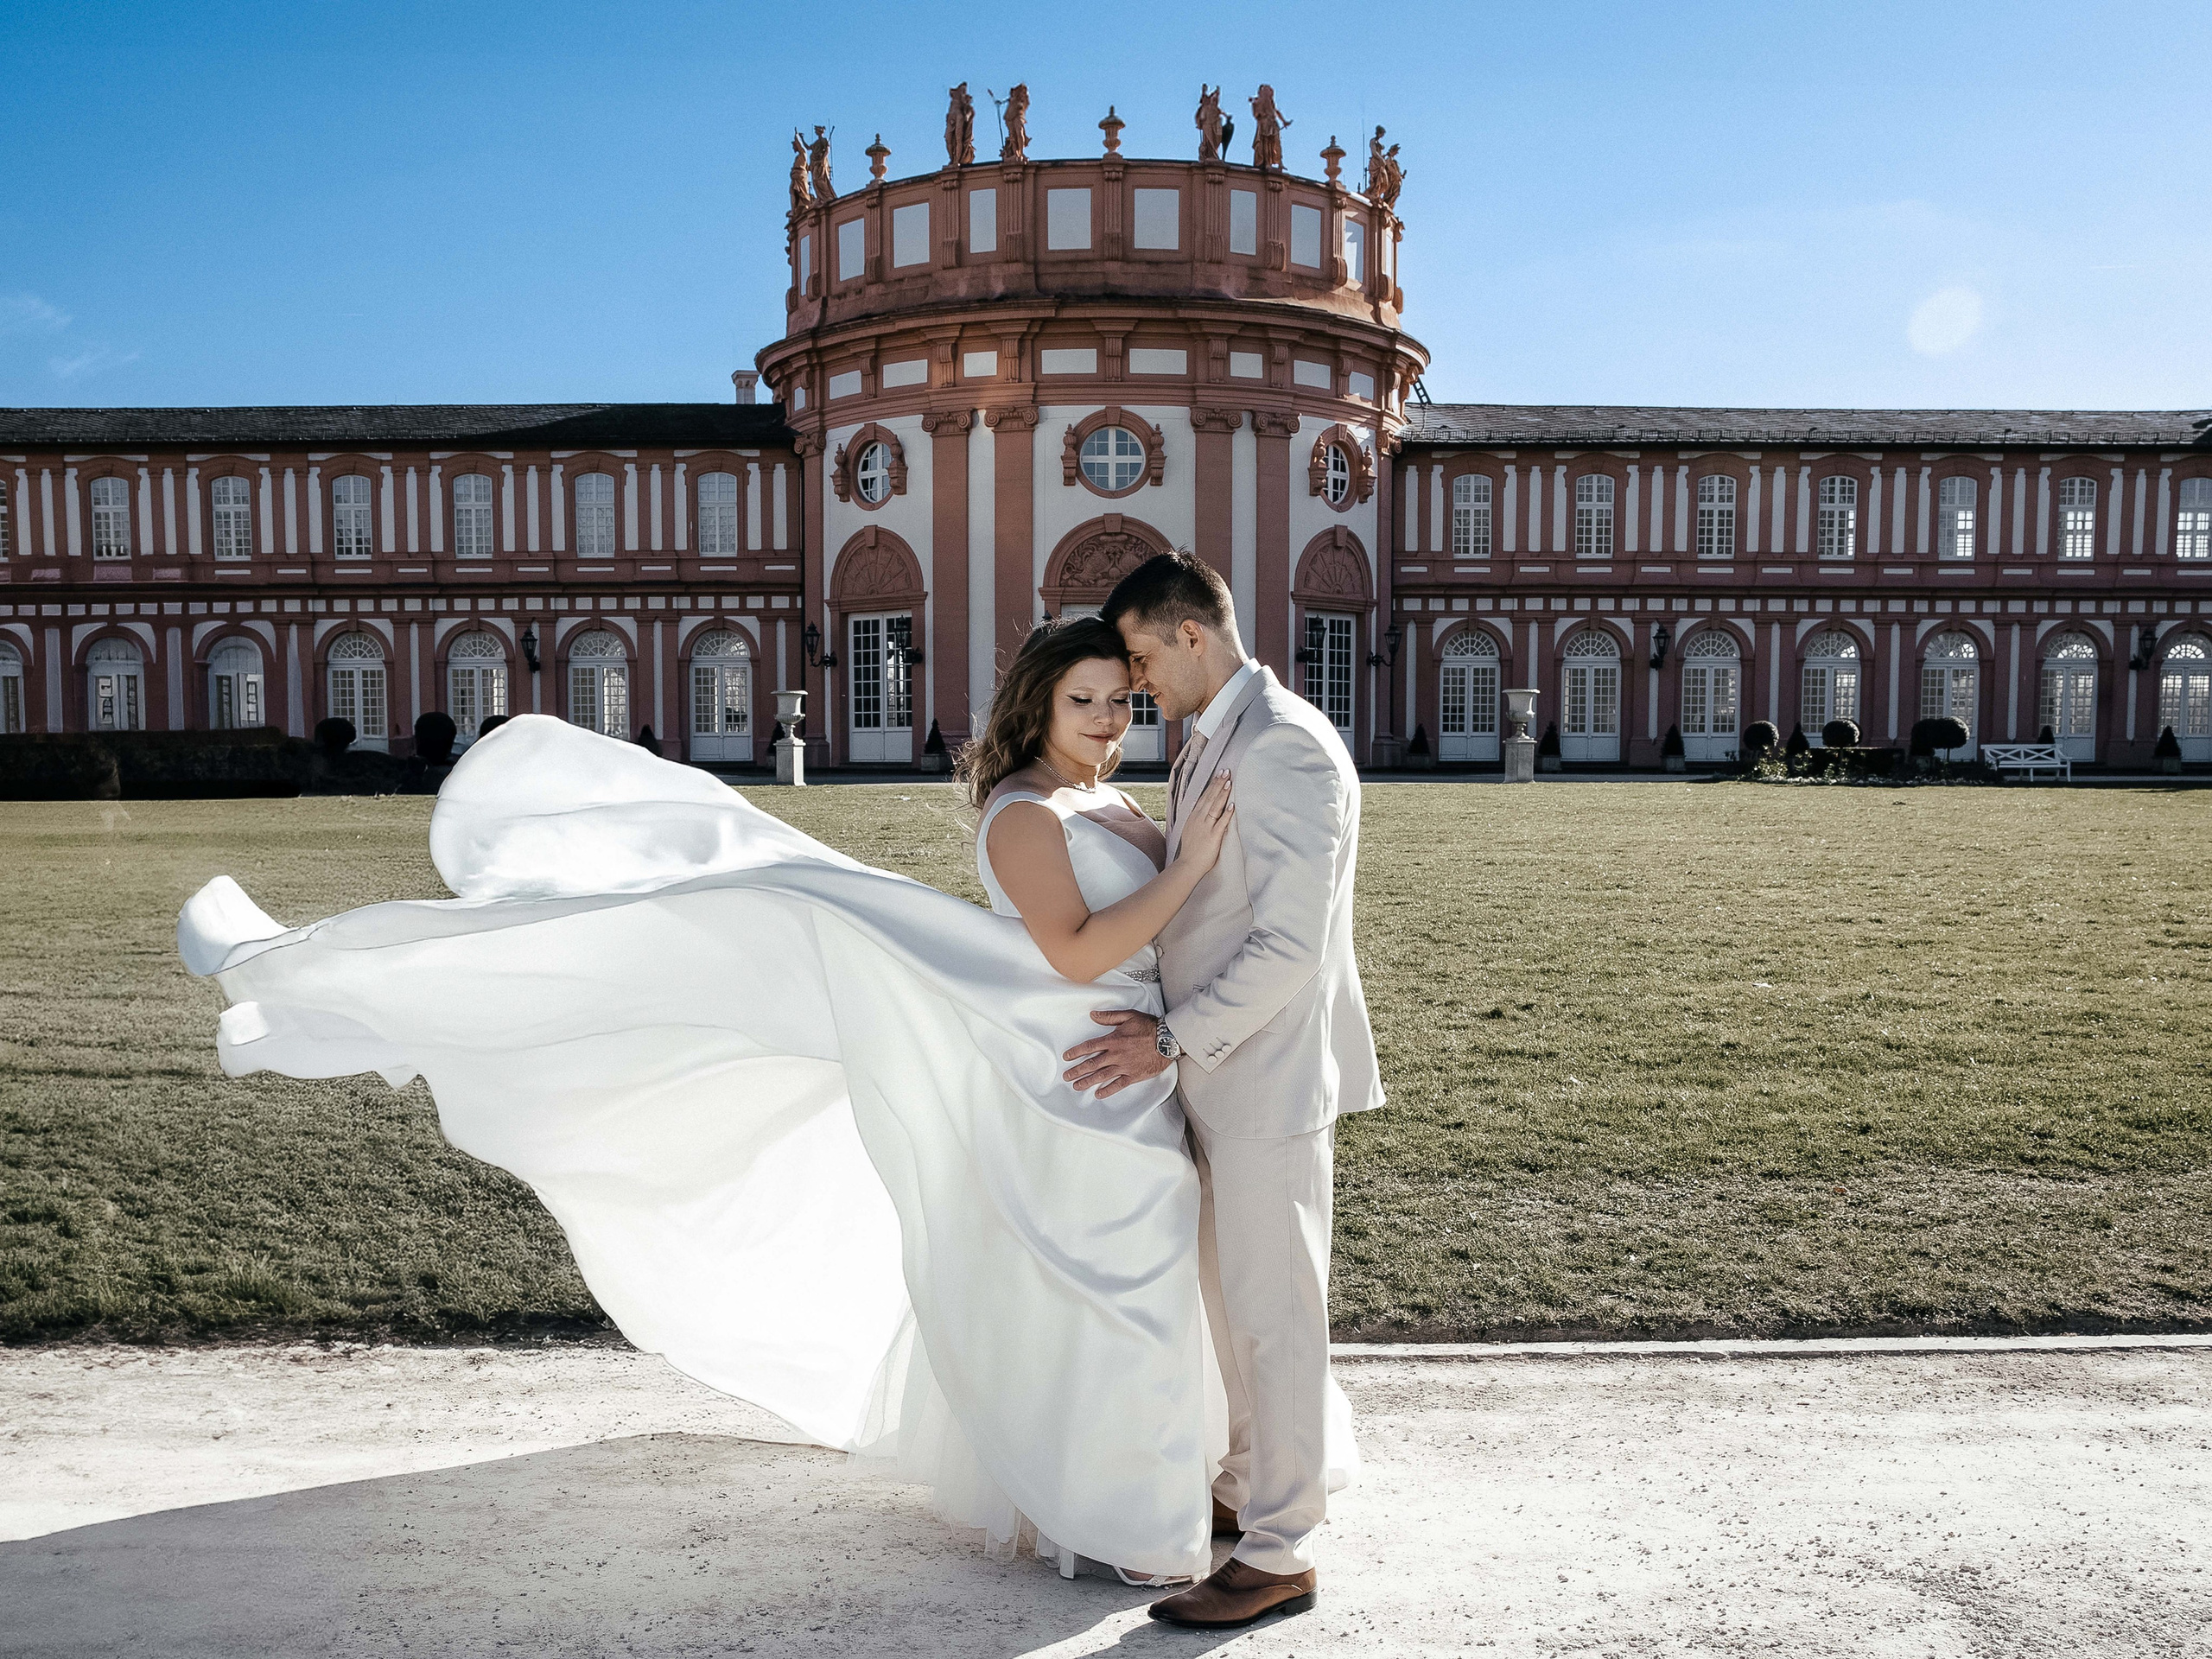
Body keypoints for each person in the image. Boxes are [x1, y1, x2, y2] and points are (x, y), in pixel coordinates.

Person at [175, 617, 1287, 1587]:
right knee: (1122, 1284)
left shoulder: (1106, 794)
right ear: (1035, 706)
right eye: (1081, 701)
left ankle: (1136, 1490)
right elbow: (1078, 950)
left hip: (1129, 1068)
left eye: (1118, 701)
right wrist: (1190, 865)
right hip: (1074, 1079)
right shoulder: (1024, 815)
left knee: (1119, 1292)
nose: (1104, 719)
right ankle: (1133, 1524)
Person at [1076, 551, 1383, 1630]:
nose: (1139, 680)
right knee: (1233, 1307)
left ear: (1193, 635)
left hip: (1261, 1074)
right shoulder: (1216, 736)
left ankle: (1283, 1551)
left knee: (1275, 1315)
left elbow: (1289, 946)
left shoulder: (1286, 747)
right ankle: (1252, 1490)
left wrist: (1167, 1041)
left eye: (1145, 656)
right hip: (1214, 1073)